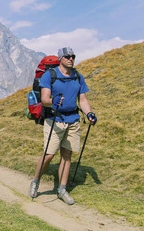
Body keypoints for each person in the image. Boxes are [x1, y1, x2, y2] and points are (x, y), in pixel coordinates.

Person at [28, 47, 97, 205]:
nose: (71, 59)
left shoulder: (78, 77)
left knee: (67, 155)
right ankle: (36, 181)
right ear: (61, 58)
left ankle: (62, 189)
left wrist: (89, 114)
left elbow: (83, 100)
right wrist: (54, 101)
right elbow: (45, 99)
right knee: (49, 155)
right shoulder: (49, 76)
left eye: (73, 56)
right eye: (67, 56)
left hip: (73, 120)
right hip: (55, 119)